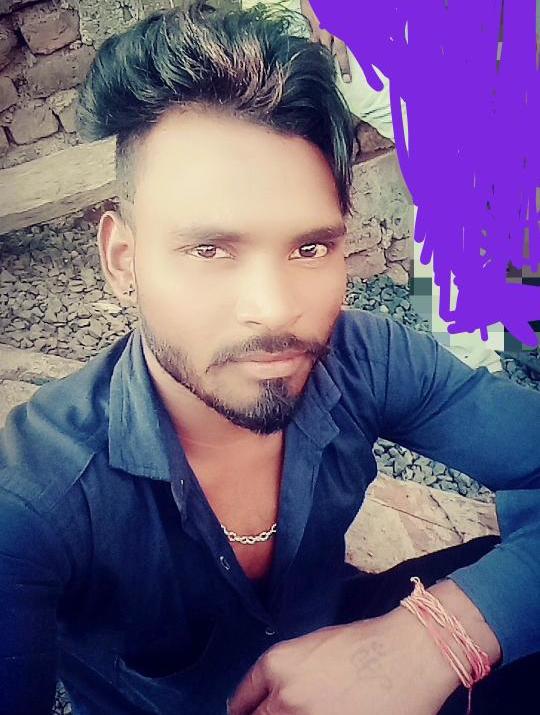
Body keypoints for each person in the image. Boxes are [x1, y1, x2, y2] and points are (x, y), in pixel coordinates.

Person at [0, 4, 539, 714]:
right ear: (123, 260)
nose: (276, 307)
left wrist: (437, 637)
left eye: (309, 247)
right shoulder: (33, 498)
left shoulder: (365, 357)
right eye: (210, 249)